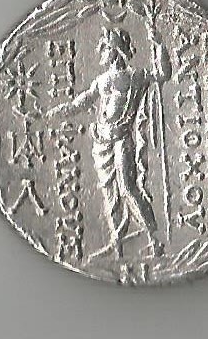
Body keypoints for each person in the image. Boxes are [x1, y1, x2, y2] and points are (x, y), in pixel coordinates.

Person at [48, 26, 171, 259]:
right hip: (101, 143)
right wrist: (59, 111)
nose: (100, 52)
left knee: (128, 188)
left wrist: (159, 44)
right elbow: (81, 102)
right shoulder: (102, 81)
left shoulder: (136, 77)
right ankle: (118, 244)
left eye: (104, 48)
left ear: (115, 50)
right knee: (109, 193)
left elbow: (163, 74)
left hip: (121, 140)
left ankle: (154, 240)